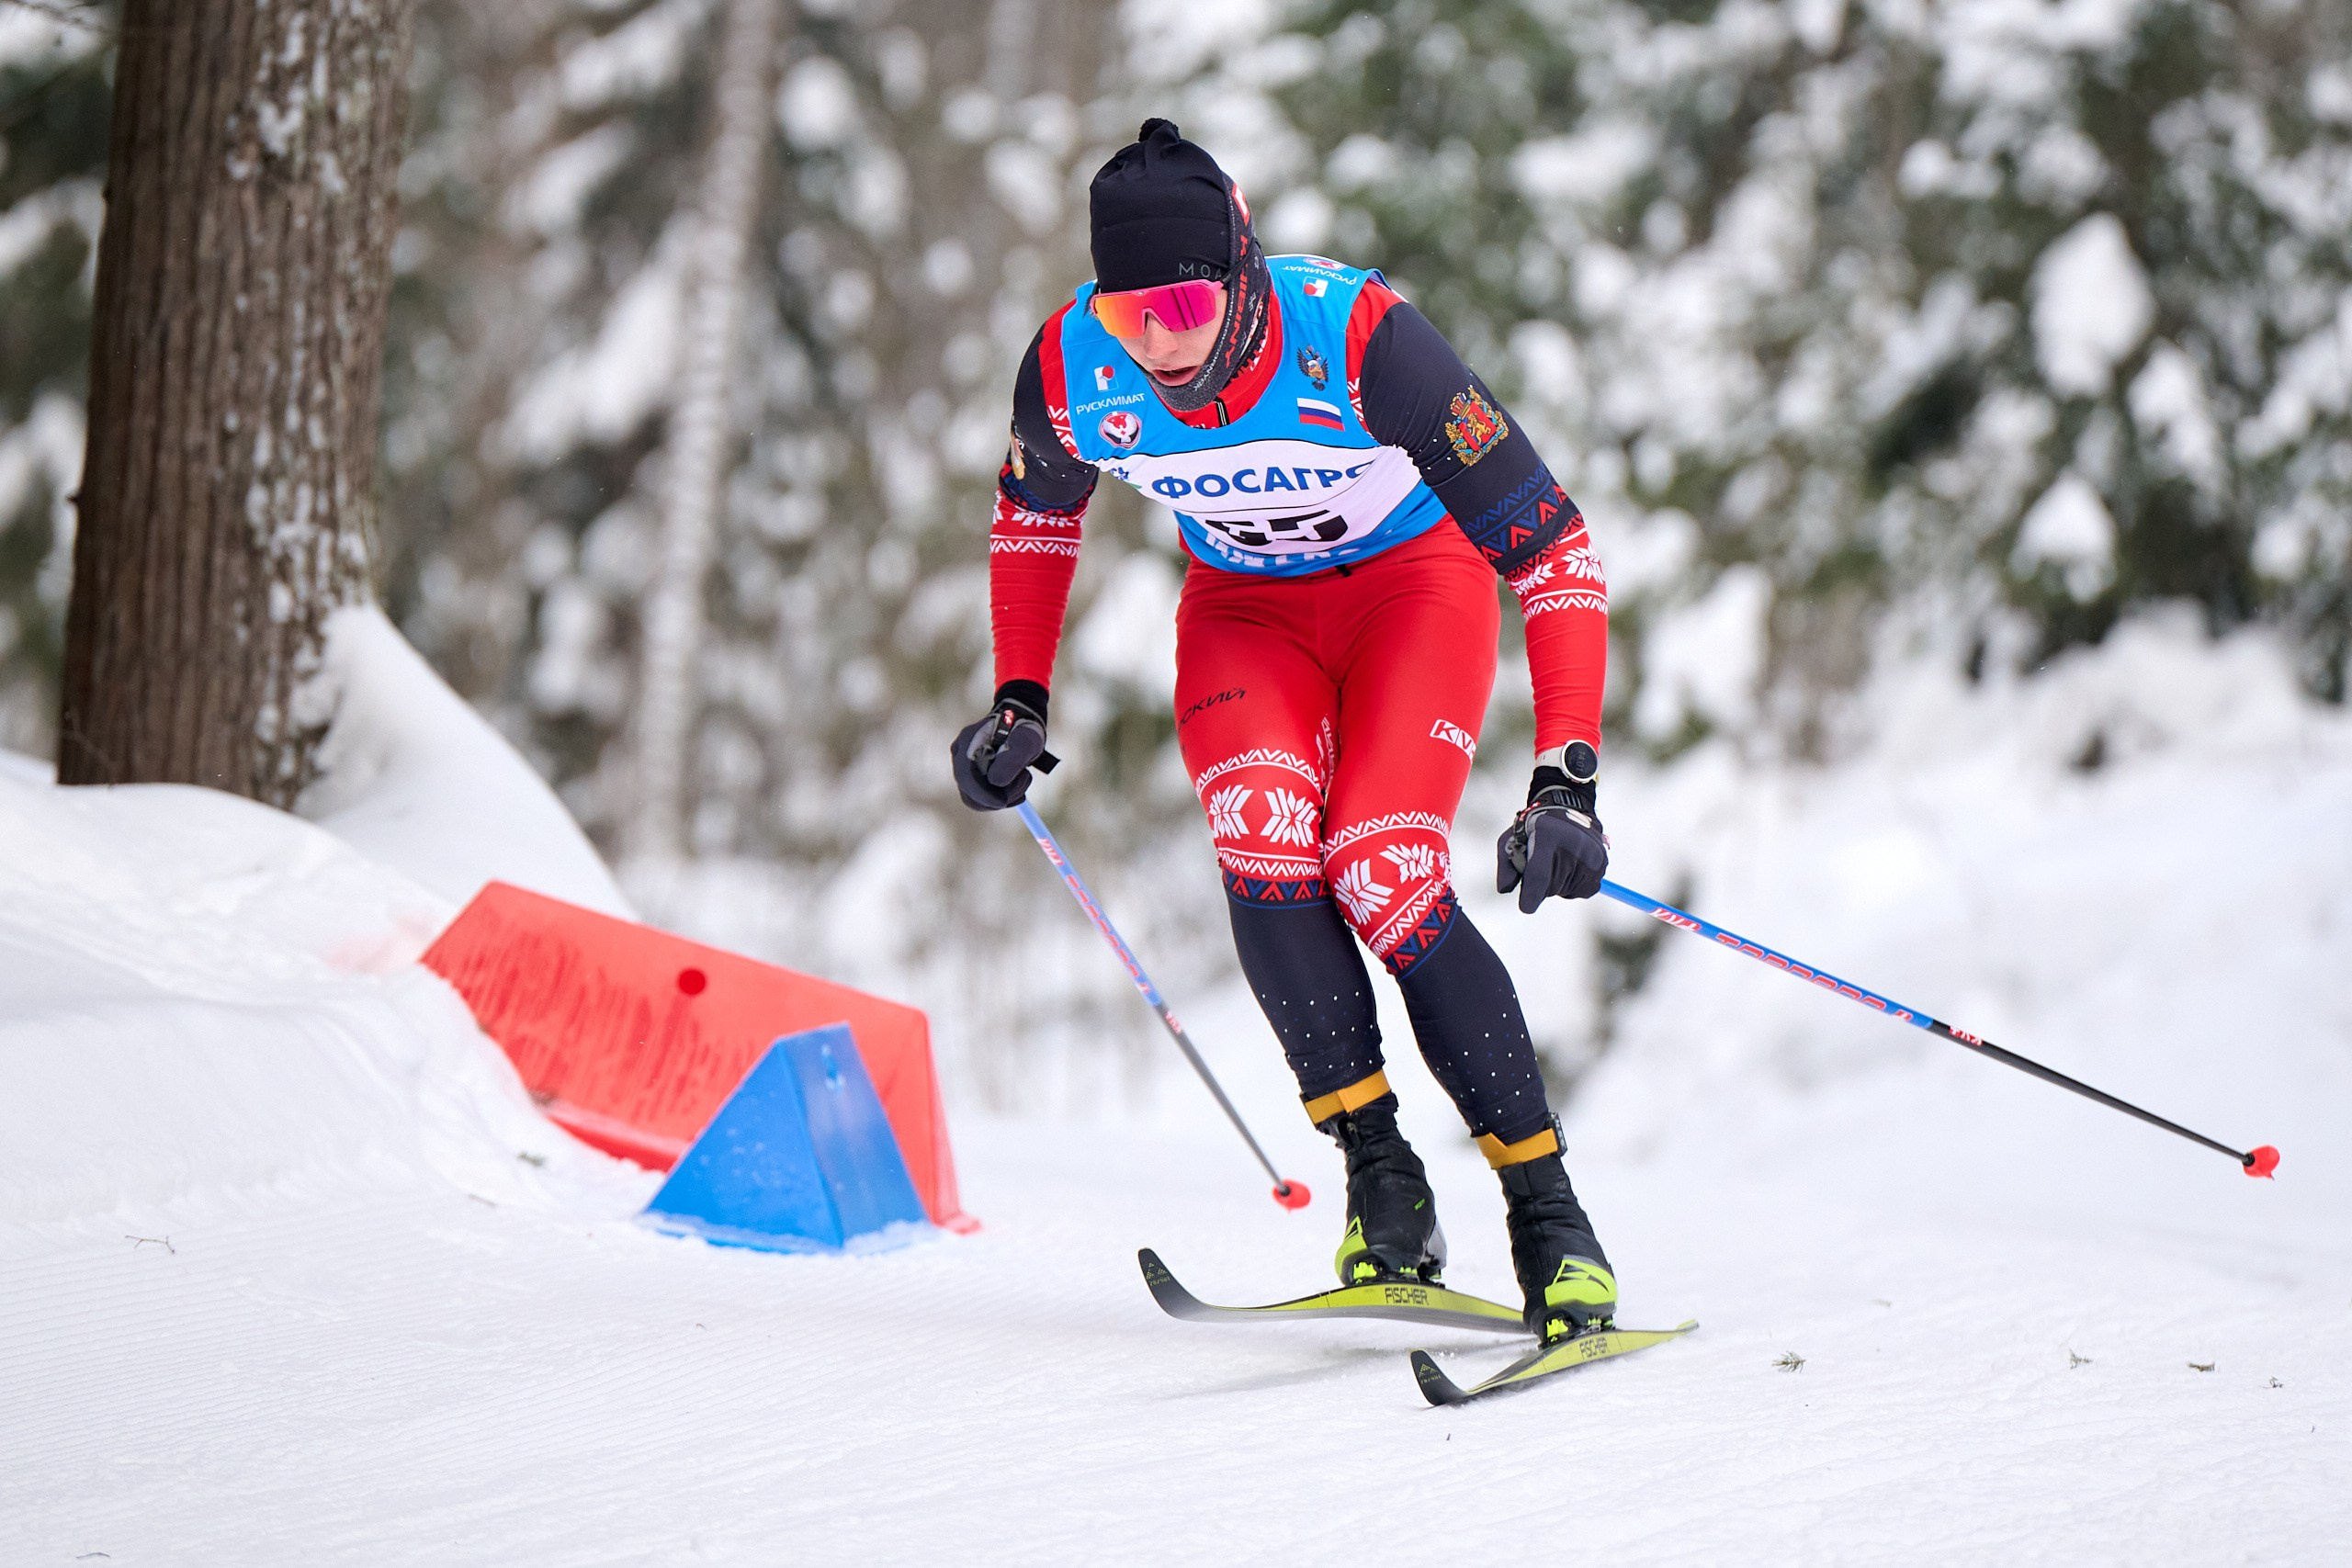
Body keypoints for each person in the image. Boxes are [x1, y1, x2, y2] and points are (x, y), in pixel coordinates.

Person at [951, 120, 1617, 1344]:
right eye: (1130, 310)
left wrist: (1566, 776)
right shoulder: (1068, 367)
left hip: (1414, 590)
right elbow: (1034, 524)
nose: (1159, 342)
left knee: (1381, 863)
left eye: (1186, 304)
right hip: (1245, 613)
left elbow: (1552, 548)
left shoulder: (1361, 341)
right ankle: (1382, 1180)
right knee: (1261, 835)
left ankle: (1548, 1214)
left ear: (1244, 272)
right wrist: (1019, 699)